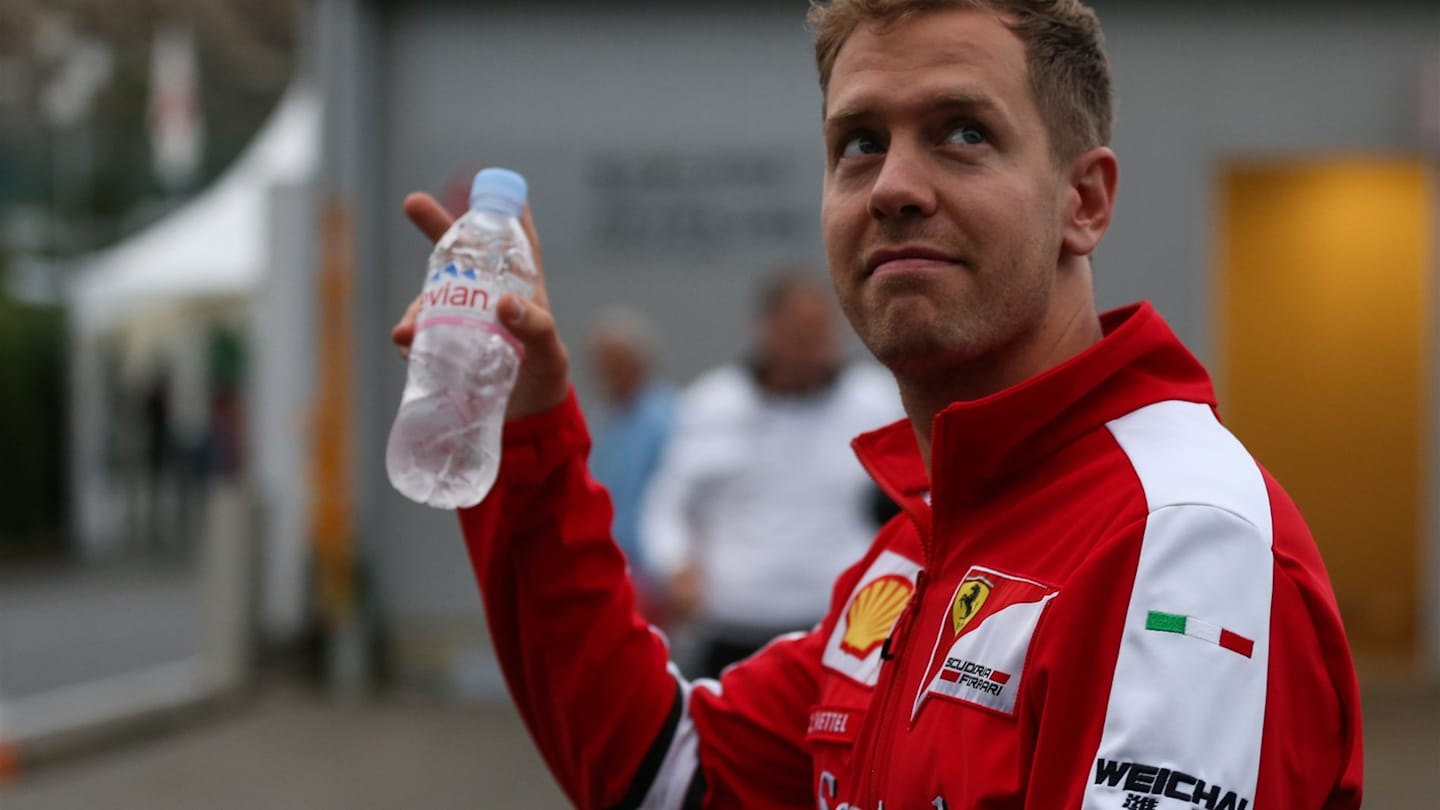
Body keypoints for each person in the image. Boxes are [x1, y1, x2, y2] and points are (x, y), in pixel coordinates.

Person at [390, 1, 1364, 807]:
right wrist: (521, 435)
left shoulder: (1177, 536)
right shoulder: (916, 550)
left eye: (963, 134)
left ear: (1085, 202)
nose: (894, 185)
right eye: (859, 143)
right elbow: (665, 771)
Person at [641, 271, 900, 677]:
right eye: (801, 333)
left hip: (847, 630)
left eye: (821, 333)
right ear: (766, 329)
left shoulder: (876, 399)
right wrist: (675, 566)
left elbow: (920, 497)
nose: (815, 348)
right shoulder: (711, 404)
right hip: (733, 632)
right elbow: (667, 503)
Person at [586, 307, 675, 602]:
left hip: (651, 572)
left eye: (616, 363)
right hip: (614, 565)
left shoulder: (666, 418)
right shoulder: (607, 420)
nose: (607, 374)